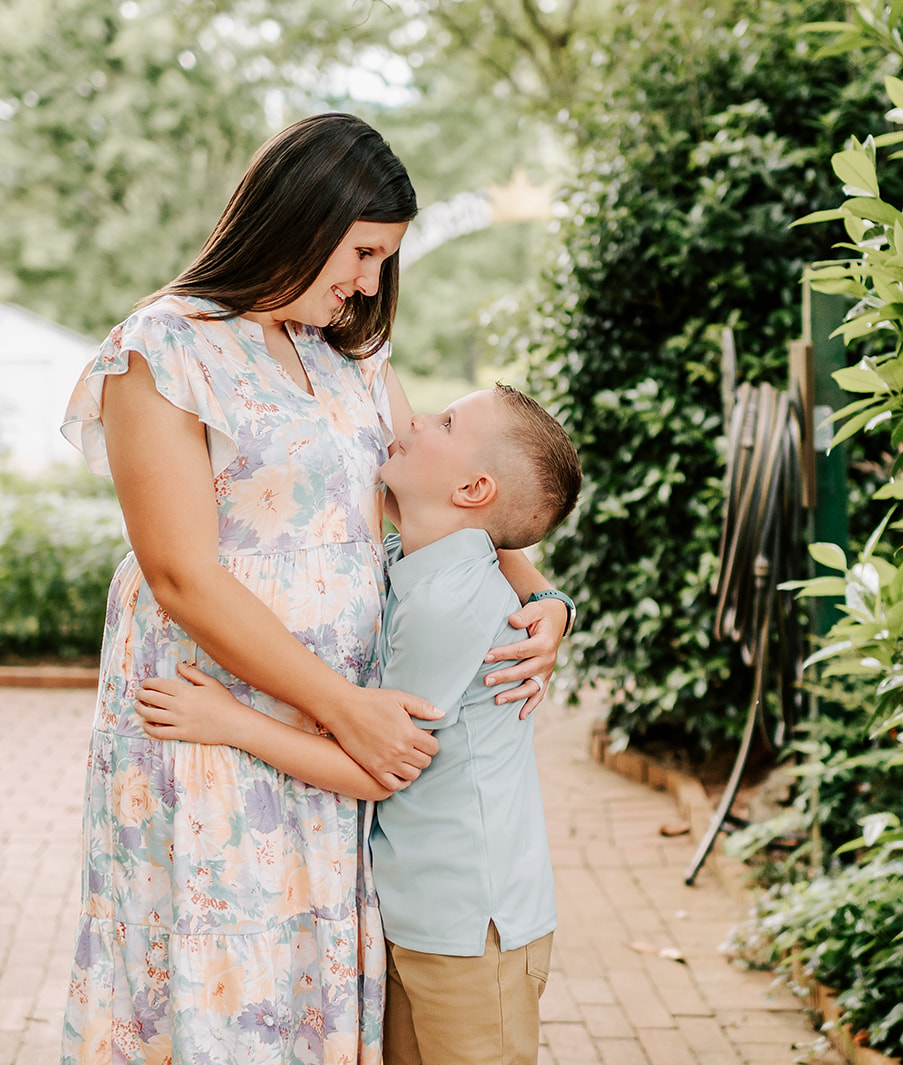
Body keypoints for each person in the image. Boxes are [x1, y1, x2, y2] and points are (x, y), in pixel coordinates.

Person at [57, 113, 571, 1065]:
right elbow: (180, 572)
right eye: (364, 252)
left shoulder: (350, 351)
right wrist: (343, 707)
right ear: (302, 217)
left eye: (385, 259)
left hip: (331, 741)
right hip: (214, 717)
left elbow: (457, 502)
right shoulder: (160, 350)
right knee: (217, 977)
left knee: (309, 977)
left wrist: (544, 596)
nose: (371, 282)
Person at [136, 384, 582, 1065]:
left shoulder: (447, 601)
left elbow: (379, 767)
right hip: (424, 913)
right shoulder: (414, 562)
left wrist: (230, 721)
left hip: (470, 924)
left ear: (472, 487)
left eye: (446, 420)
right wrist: (552, 595)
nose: (416, 419)